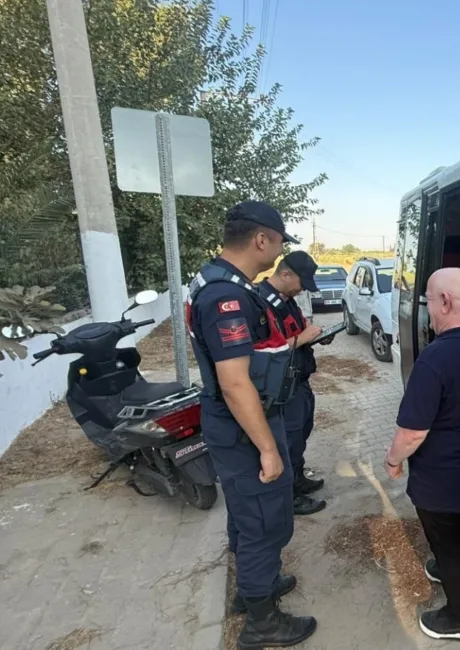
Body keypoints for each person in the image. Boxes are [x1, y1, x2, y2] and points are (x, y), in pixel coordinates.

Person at [185, 201, 317, 649]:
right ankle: (262, 623)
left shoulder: (214, 279)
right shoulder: (228, 296)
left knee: (247, 515)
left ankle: (252, 589)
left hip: (236, 421)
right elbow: (235, 381)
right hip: (244, 424)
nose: (280, 251)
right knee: (264, 520)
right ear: (262, 239)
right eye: (280, 242)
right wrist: (267, 448)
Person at [384, 268, 460, 642]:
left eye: (430, 302)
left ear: (446, 302)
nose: (429, 311)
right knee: (458, 525)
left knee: (447, 543)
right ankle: (449, 561)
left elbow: (412, 432)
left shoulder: (435, 359)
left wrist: (392, 460)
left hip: (442, 479)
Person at [258, 250, 328, 515]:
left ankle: (298, 479)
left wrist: (314, 337)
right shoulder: (261, 302)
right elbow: (264, 352)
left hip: (300, 380)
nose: (302, 290)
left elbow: (295, 334)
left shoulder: (286, 300)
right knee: (288, 441)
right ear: (285, 274)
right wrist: (303, 338)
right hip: (282, 388)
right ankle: (290, 496)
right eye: (301, 283)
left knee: (300, 434)